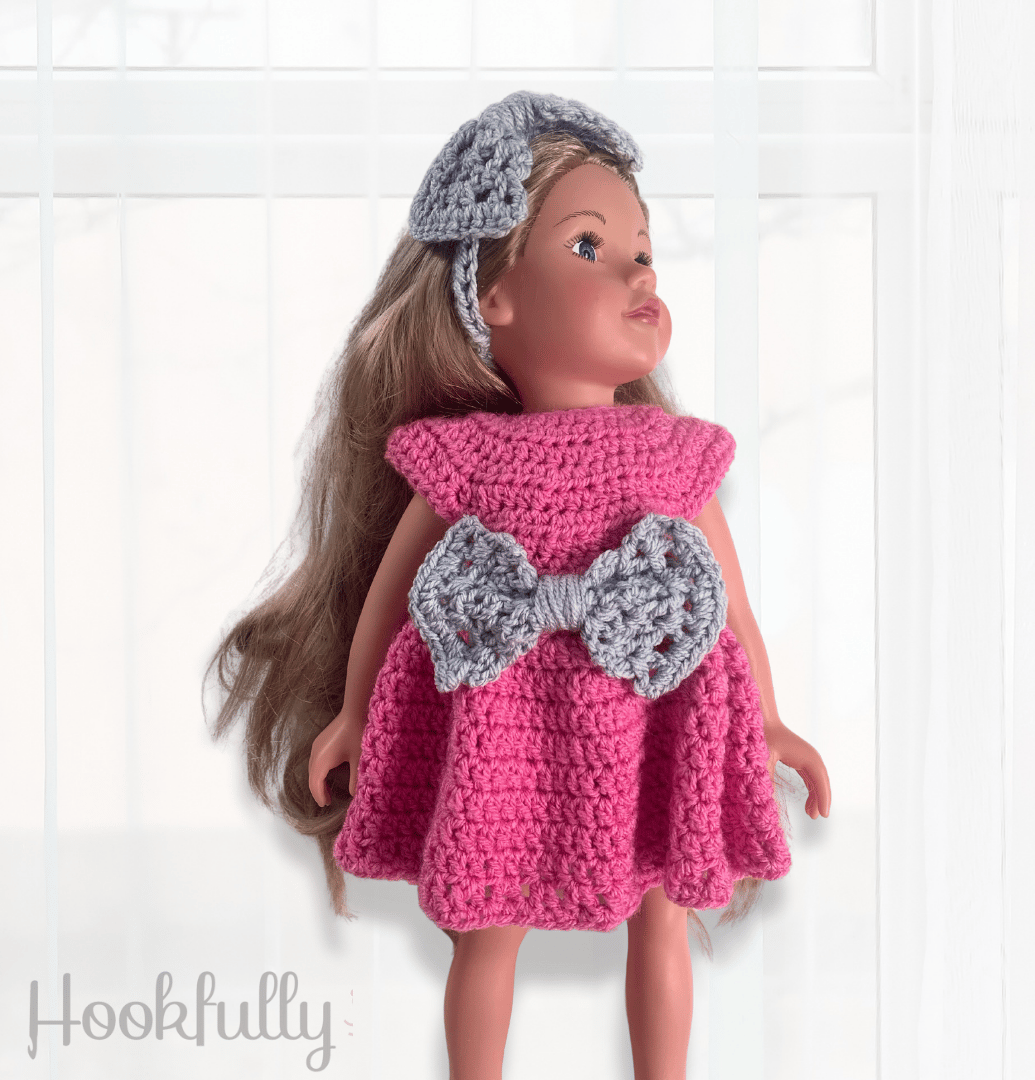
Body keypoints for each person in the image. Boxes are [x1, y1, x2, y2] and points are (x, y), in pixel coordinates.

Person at [210, 91, 831, 1080]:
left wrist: (765, 720)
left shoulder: (677, 456)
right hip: (505, 726)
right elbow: (396, 596)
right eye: (591, 247)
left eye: (642, 249)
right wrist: (358, 715)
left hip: (651, 710)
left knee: (660, 920)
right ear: (491, 295)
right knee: (486, 925)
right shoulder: (468, 459)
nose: (639, 271)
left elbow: (723, 606)